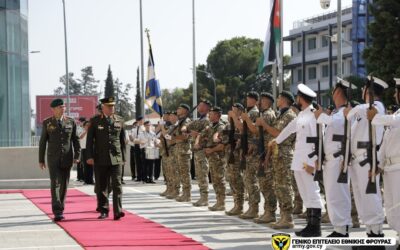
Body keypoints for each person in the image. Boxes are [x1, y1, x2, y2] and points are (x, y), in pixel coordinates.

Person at [270, 83, 324, 237]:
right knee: (305, 193)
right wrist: (276, 141)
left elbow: (319, 139)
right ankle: (310, 225)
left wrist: (314, 162)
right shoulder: (301, 114)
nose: (297, 99)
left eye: (298, 97)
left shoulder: (314, 114)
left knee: (312, 192)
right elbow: (289, 129)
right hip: (299, 160)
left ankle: (316, 227)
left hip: (308, 161)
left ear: (302, 98)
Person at [344, 76, 387, 246]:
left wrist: (351, 111)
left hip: (367, 159)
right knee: (362, 198)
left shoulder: (376, 107)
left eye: (364, 89)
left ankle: (376, 236)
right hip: (357, 160)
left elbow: (359, 111)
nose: (362, 91)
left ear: (369, 91)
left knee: (371, 196)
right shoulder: (363, 111)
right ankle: (370, 233)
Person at [314, 77, 354, 237]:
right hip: (330, 160)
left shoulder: (344, 112)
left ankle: (342, 229)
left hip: (338, 160)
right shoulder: (337, 113)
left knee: (339, 195)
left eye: (334, 91)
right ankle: (338, 227)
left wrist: (321, 115)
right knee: (331, 196)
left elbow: (335, 123)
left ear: (338, 92)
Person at [369, 77, 400, 250]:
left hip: (399, 168)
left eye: (397, 92)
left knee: (398, 204)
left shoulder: (395, 118)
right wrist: (378, 164)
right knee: (391, 206)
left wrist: (376, 117)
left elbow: (392, 122)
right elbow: (385, 142)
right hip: (389, 168)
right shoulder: (395, 115)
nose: (395, 95)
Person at [258, 91, 297, 229]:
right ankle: (282, 215)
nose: (278, 100)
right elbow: (272, 139)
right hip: (276, 154)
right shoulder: (281, 115)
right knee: (277, 186)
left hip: (284, 154)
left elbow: (278, 134)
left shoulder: (290, 115)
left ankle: (288, 217)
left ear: (285, 100)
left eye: (279, 98)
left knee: (284, 186)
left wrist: (264, 124)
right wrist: (267, 156)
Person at [38, 98, 80, 221]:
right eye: (60, 107)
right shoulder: (47, 122)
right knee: (55, 183)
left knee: (64, 185)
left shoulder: (71, 122)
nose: (63, 109)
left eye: (63, 107)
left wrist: (77, 156)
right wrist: (41, 159)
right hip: (53, 158)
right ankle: (57, 211)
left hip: (67, 158)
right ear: (53, 109)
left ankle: (61, 206)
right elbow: (42, 143)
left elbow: (75, 140)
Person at [86, 96, 126, 220]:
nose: (111, 108)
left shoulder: (119, 120)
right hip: (100, 158)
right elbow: (89, 141)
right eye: (109, 106)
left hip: (116, 158)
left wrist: (123, 157)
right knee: (101, 185)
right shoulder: (95, 120)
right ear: (103, 108)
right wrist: (89, 156)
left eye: (113, 106)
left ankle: (117, 211)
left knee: (117, 185)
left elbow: (122, 141)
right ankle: (103, 210)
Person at [253, 92, 277, 224]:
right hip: (263, 152)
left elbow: (256, 131)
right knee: (264, 183)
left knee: (268, 184)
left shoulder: (267, 114)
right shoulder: (264, 114)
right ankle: (267, 211)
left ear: (267, 102)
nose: (259, 103)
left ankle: (271, 212)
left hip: (268, 153)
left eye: (261, 101)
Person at [237, 91, 261, 220]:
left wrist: (239, 118)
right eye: (247, 98)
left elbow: (252, 130)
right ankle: (251, 207)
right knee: (248, 178)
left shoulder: (254, 113)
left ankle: (254, 208)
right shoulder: (248, 112)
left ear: (256, 101)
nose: (247, 100)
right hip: (246, 148)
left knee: (251, 179)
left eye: (250, 99)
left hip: (252, 149)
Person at [200, 106, 226, 211]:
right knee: (215, 180)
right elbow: (201, 135)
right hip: (212, 157)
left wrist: (211, 150)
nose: (209, 115)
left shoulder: (221, 127)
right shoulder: (211, 126)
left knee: (219, 179)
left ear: (217, 115)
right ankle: (218, 201)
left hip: (218, 157)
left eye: (211, 114)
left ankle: (221, 202)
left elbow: (222, 145)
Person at [188, 99, 211, 207]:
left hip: (202, 150)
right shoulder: (199, 119)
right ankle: (202, 197)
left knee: (202, 174)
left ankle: (205, 198)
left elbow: (207, 135)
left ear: (207, 108)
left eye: (201, 105)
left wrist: (197, 134)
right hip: (197, 151)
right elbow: (187, 128)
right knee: (199, 175)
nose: (198, 107)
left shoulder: (206, 120)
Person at [225, 103, 246, 216]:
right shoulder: (229, 124)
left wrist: (234, 117)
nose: (231, 113)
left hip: (238, 156)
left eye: (234, 110)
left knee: (238, 180)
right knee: (232, 180)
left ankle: (240, 205)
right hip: (230, 155)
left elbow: (241, 130)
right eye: (231, 110)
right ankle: (236, 204)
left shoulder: (241, 122)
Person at [172, 104, 193, 202]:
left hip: (184, 151)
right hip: (179, 151)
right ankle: (184, 193)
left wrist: (174, 137)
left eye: (179, 108)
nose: (177, 110)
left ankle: (187, 194)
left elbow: (185, 135)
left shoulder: (186, 121)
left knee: (185, 173)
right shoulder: (179, 121)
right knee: (182, 173)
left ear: (185, 111)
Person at [132, 116, 145, 182]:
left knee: (144, 161)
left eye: (142, 120)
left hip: (144, 145)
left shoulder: (145, 128)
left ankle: (144, 176)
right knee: (138, 161)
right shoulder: (135, 129)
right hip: (137, 145)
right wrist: (136, 140)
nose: (141, 122)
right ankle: (139, 177)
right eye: (139, 121)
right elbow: (133, 138)